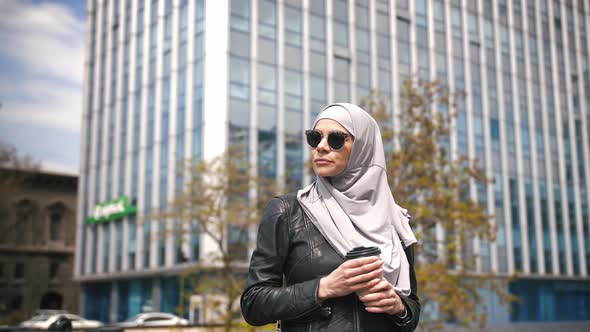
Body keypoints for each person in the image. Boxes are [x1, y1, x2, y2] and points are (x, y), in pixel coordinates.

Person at [240, 103, 420, 332]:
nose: (321, 147)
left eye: (336, 139)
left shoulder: (395, 219)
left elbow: (412, 308)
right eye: (315, 138)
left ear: (363, 147)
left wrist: (399, 308)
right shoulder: (287, 211)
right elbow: (253, 304)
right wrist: (323, 288)